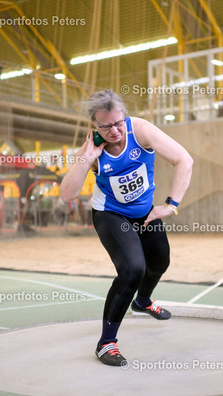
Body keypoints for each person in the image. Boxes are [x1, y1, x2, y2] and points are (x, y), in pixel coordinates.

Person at [60, 90, 193, 366]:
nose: (114, 131)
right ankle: (106, 343)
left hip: (144, 212)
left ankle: (142, 302)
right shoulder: (90, 150)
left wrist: (171, 205)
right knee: (133, 269)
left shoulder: (141, 130)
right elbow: (67, 194)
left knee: (160, 262)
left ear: (125, 117)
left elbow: (184, 160)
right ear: (95, 125)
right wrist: (87, 158)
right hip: (110, 214)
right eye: (106, 126)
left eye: (118, 123)